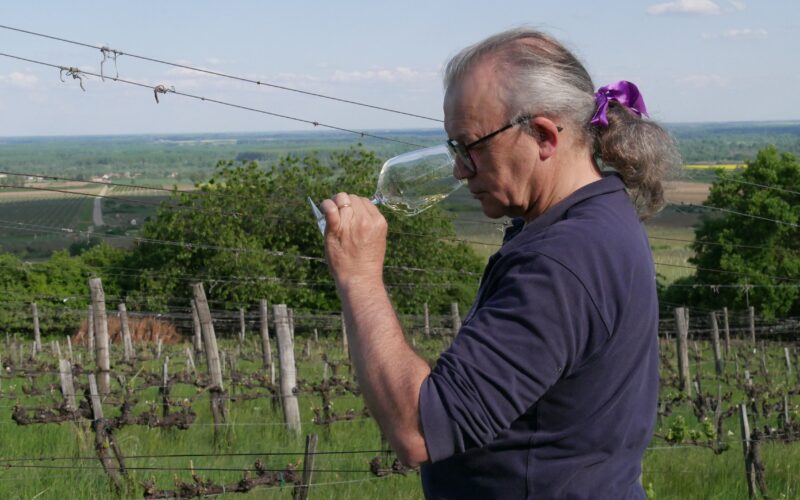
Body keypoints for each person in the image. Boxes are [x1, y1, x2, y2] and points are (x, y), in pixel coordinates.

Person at [320, 27, 680, 499]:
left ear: (544, 136)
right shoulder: (597, 217)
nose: (459, 169)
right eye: (454, 149)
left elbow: (418, 430)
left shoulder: (561, 260)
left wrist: (360, 277)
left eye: (471, 147)